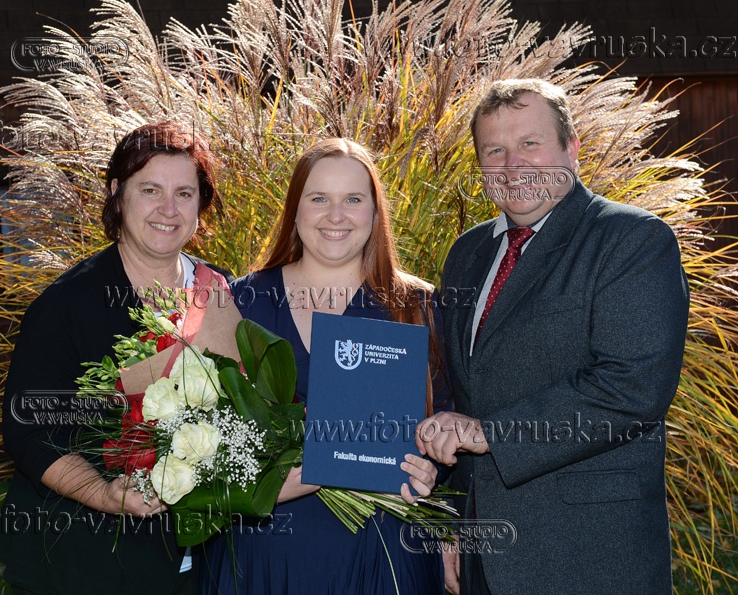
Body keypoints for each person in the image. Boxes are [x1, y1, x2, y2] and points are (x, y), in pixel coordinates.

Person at [416, 79, 689, 594]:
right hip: (483, 559)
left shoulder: (631, 240)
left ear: (571, 149)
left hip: (588, 560)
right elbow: (464, 396)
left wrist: (490, 433)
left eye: (530, 143)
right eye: (494, 151)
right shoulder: (467, 254)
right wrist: (449, 522)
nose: (513, 165)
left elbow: (631, 390)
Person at [200, 138, 451, 594]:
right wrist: (258, 483)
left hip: (384, 558)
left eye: (353, 200)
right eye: (319, 199)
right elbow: (198, 439)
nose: (336, 216)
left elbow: (447, 426)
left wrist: (432, 468)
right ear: (295, 210)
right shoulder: (239, 302)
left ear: (375, 212)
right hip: (264, 559)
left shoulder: (418, 306)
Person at [0, 121, 233, 594]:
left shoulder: (222, 291)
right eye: (150, 190)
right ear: (117, 194)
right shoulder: (66, 306)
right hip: (85, 562)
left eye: (184, 194)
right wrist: (104, 494)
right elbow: (30, 433)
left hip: (201, 566)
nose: (169, 209)